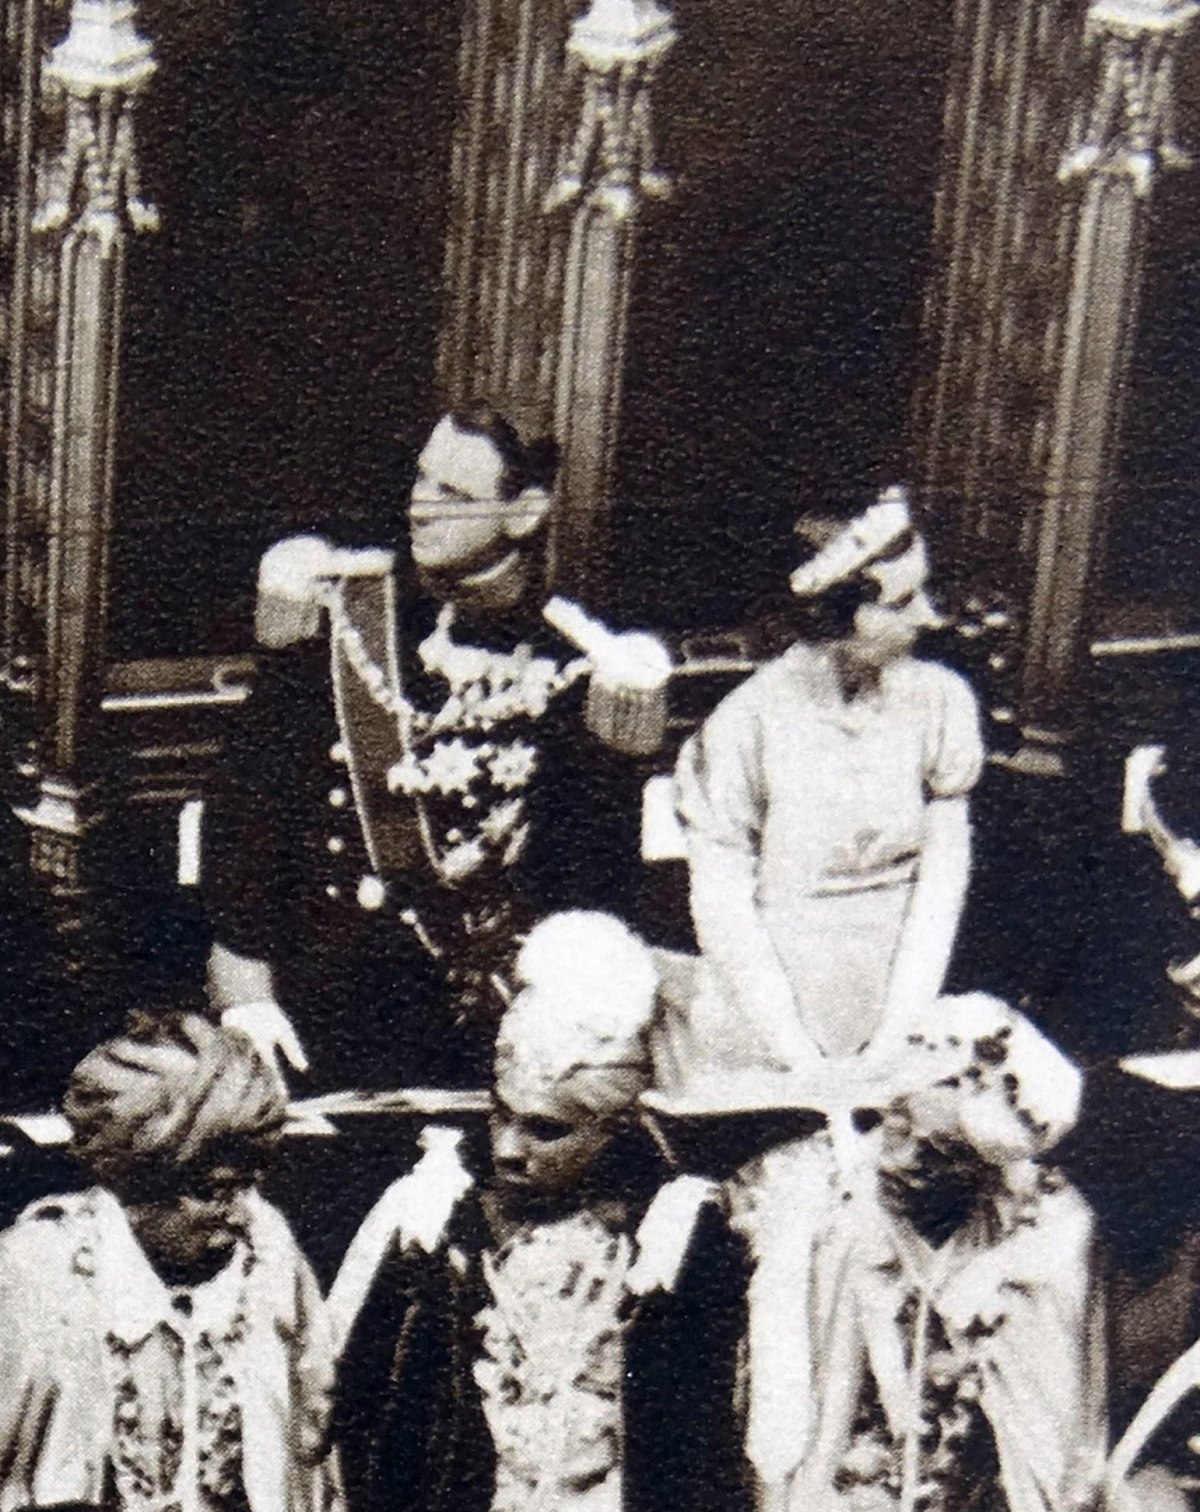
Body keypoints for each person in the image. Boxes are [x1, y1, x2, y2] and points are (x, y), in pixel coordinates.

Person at [655, 485, 985, 1510]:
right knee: (794, 1241)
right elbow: (723, 902)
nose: (926, 617)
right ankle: (781, 1477)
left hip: (894, 1004)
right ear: (838, 605)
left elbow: (943, 878)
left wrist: (892, 1031)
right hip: (767, 1025)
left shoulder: (941, 704)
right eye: (901, 598)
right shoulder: (745, 724)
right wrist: (802, 1053)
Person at [202, 405, 650, 1092]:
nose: (421, 507)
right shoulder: (341, 622)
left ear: (525, 512)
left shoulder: (580, 665)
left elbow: (590, 882)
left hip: (482, 1032)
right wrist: (246, 998)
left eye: (455, 496)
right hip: (312, 1011)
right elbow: (244, 822)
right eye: (421, 480)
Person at [329, 910, 747, 1512]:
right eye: (501, 1113)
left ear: (617, 1128)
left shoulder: (673, 1236)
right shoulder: (437, 1217)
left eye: (545, 1130)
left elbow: (702, 1441)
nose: (507, 1148)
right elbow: (366, 1406)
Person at [0, 1009, 342, 1512]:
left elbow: (310, 1464)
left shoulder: (268, 1257)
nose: (242, 1212)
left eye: (252, 1183)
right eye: (213, 1191)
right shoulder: (36, 1273)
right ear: (133, 1183)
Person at [797, 992, 1106, 1512]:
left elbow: (1062, 1232)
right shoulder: (879, 1180)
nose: (899, 1118)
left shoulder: (1044, 1202)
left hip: (1002, 1382)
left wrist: (994, 1268)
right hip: (905, 1399)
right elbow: (871, 1272)